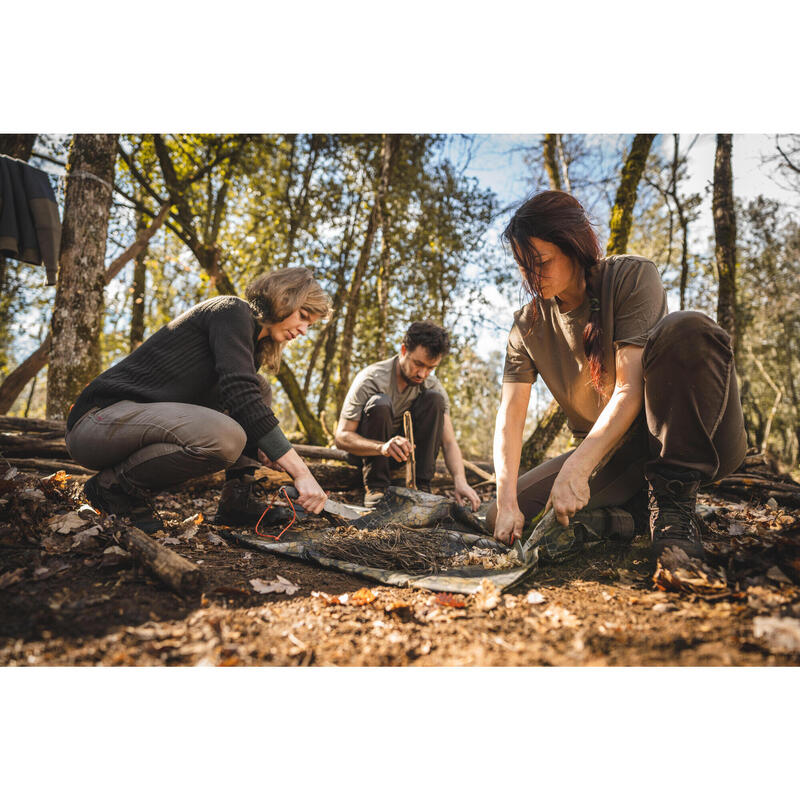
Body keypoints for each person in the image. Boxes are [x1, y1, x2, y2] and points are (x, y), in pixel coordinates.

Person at [489, 191, 747, 559]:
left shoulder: (632, 277)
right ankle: (632, 516)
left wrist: (577, 467)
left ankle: (675, 503)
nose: (532, 277)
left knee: (687, 326)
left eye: (542, 262)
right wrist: (506, 499)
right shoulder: (527, 326)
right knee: (500, 517)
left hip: (691, 438)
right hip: (615, 458)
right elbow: (510, 416)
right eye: (522, 265)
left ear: (574, 247)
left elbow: (628, 389)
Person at [65, 267, 331, 530]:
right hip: (97, 422)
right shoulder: (231, 310)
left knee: (258, 388)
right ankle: (110, 489)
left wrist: (262, 450)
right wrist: (302, 472)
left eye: (310, 324)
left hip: (136, 427)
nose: (304, 330)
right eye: (304, 316)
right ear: (284, 299)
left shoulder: (252, 350)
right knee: (227, 436)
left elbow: (238, 404)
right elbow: (242, 397)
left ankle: (237, 502)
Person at [334, 321, 481, 511]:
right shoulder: (371, 379)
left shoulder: (432, 385)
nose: (422, 373)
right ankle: (376, 488)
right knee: (380, 403)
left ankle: (421, 486)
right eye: (418, 364)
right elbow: (342, 437)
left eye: (430, 368)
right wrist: (382, 447)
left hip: (403, 456)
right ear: (404, 350)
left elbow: (450, 442)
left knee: (435, 400)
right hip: (368, 452)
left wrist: (460, 481)